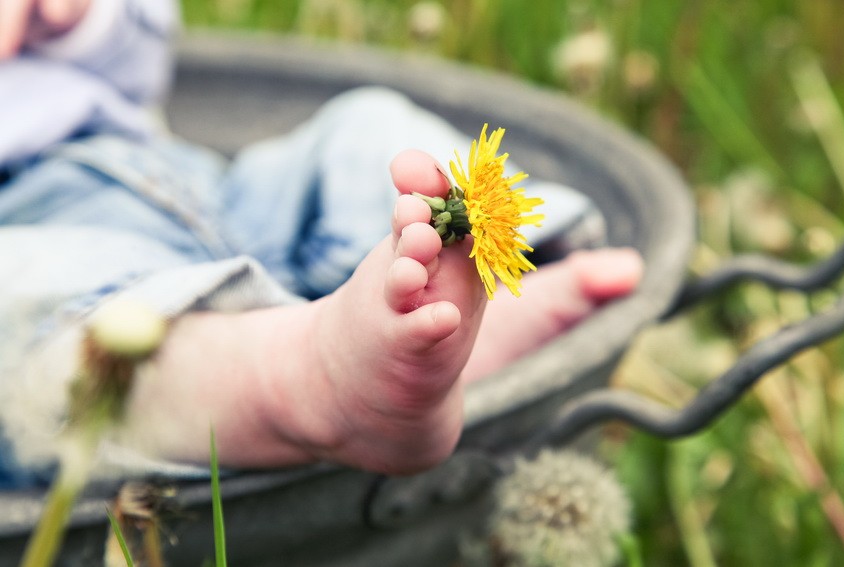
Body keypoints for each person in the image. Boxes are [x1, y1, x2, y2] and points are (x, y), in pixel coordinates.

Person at [0, 0, 643, 486]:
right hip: (37, 247)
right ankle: (307, 377)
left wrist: (76, 15)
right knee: (59, 354)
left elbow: (137, 59)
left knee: (364, 136)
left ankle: (499, 273)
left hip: (189, 178)